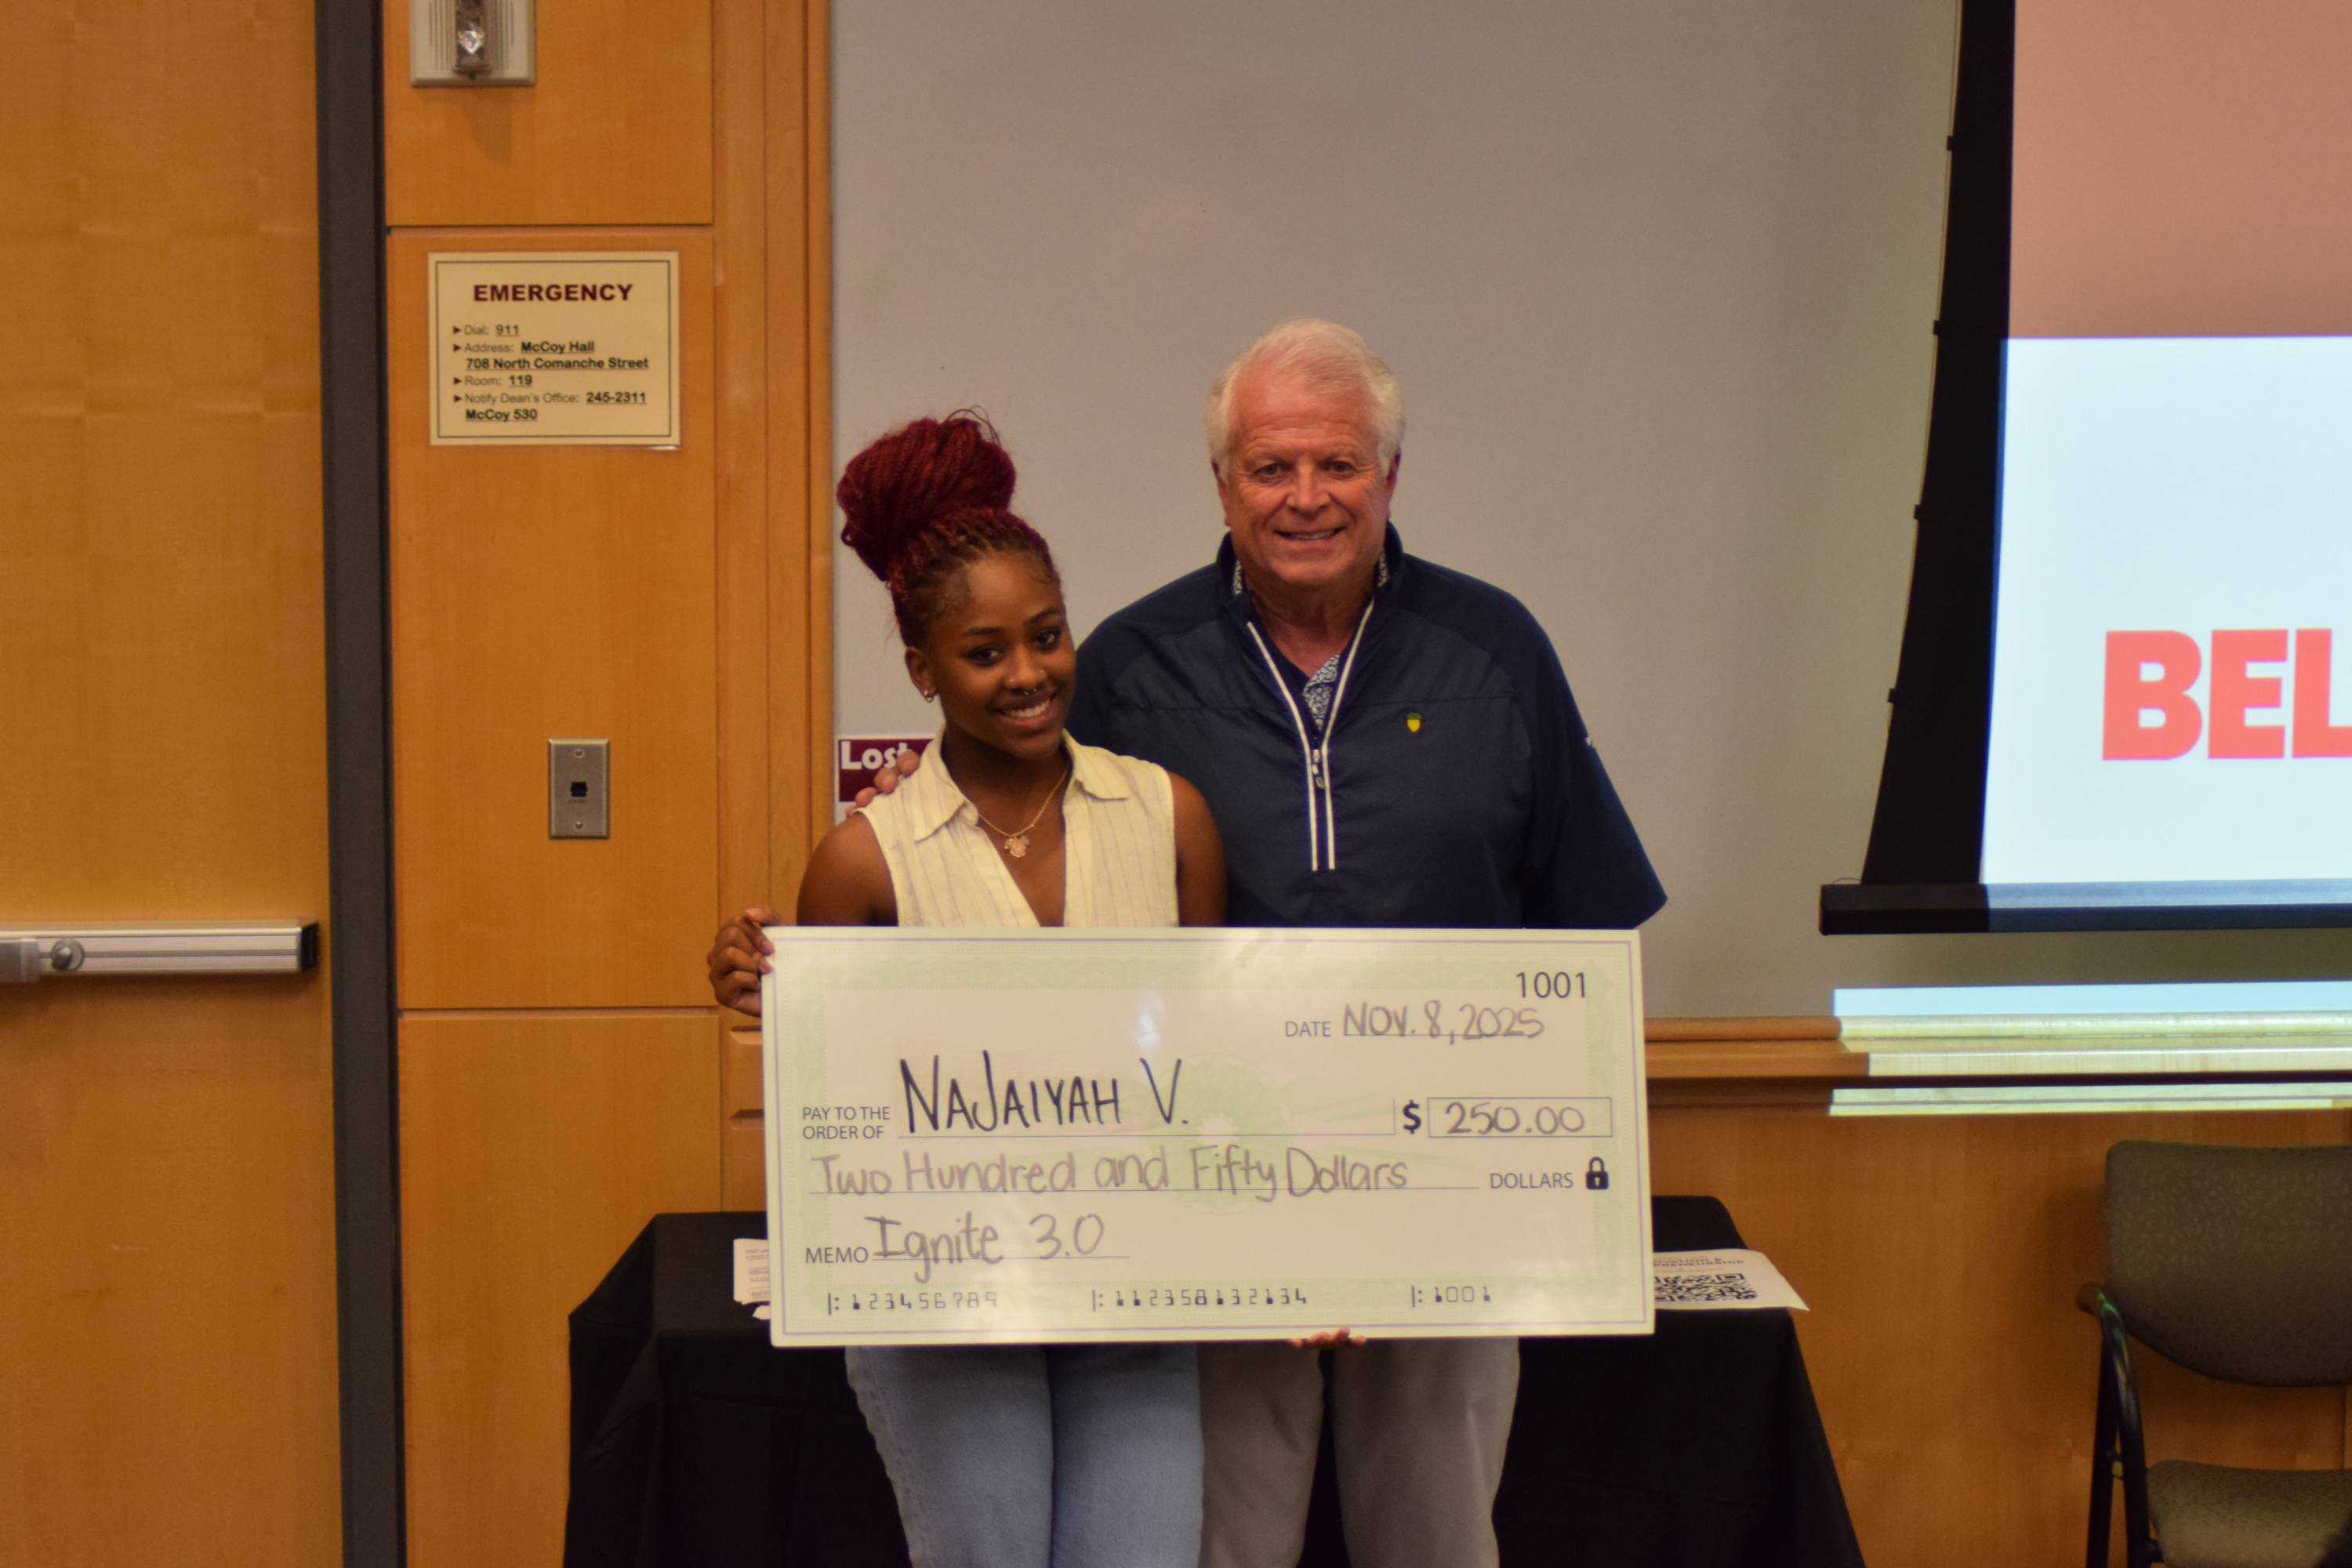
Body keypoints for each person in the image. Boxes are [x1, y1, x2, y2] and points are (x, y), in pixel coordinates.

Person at [713, 321, 1665, 1568]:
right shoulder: (1134, 663)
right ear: (1222, 484)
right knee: (1219, 1547)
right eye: (1271, 467)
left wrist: (1547, 1179)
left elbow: (1581, 936)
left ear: (1390, 476)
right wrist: (834, 926)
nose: (1306, 497)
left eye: (1338, 464)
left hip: (1443, 1210)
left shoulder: (1501, 652)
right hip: (1201, 1222)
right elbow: (1012, 826)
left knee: (1436, 1541)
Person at [735, 411, 1228, 1568]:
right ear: (923, 669)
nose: (1030, 675)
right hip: (946, 1315)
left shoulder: (1170, 817)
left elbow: (1221, 1066)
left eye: (1048, 636)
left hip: (1134, 1306)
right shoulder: (865, 859)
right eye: (986, 650)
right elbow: (840, 1122)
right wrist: (771, 983)